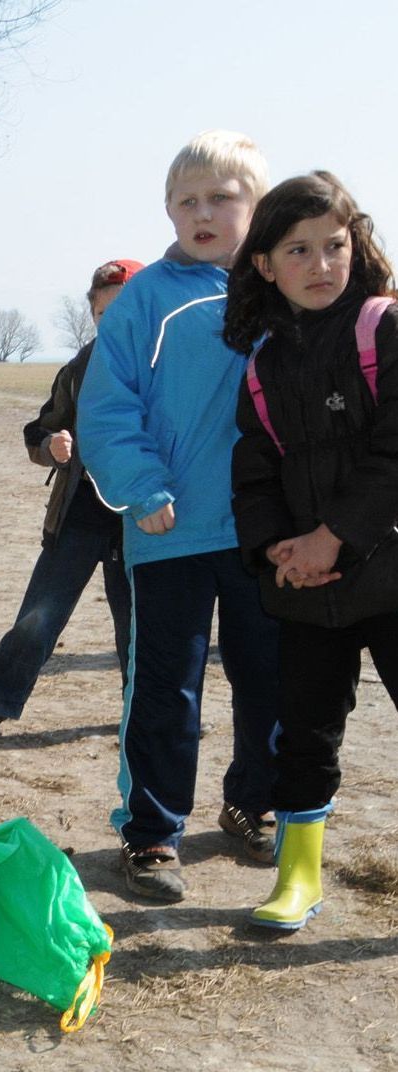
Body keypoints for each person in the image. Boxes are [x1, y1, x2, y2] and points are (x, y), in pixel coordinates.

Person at [77, 131, 280, 902]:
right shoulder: (145, 300)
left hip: (267, 534)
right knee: (167, 687)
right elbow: (106, 408)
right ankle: (152, 834)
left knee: (268, 678)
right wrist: (142, 488)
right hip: (170, 529)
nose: (203, 213)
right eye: (187, 201)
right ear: (167, 210)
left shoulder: (283, 291)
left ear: (256, 207)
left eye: (222, 198)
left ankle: (252, 802)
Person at [225, 172, 398, 930]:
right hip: (307, 589)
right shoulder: (262, 364)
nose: (322, 264)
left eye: (335, 245)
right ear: (265, 264)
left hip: (390, 573)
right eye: (299, 250)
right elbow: (254, 471)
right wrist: (275, 553)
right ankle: (297, 880)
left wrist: (336, 536)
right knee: (303, 733)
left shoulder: (382, 327)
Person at [0, 259, 142, 742]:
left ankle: (146, 710)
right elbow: (39, 430)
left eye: (126, 310)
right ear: (94, 317)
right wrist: (52, 446)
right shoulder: (79, 368)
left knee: (139, 629)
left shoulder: (169, 366)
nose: (114, 321)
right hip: (78, 515)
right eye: (104, 313)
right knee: (37, 619)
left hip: (144, 524)